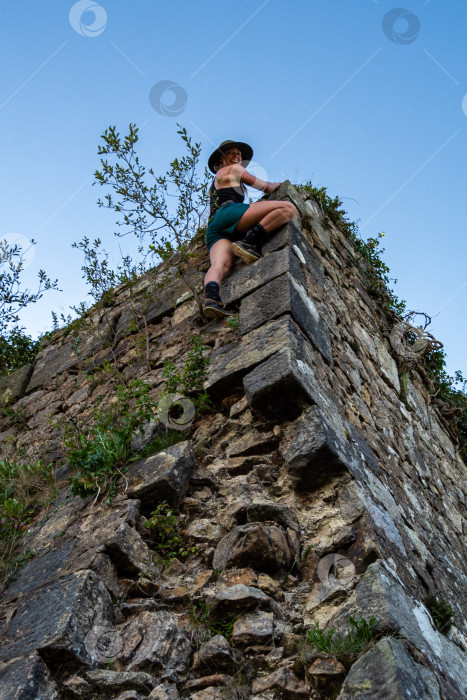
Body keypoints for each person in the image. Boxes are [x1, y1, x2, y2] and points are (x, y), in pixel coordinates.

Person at [203, 139, 297, 319]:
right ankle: (249, 242)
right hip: (229, 213)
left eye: (238, 153)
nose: (237, 155)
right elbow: (266, 187)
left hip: (215, 227)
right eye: (232, 152)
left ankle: (212, 298)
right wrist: (276, 185)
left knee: (220, 264)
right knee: (288, 208)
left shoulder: (215, 181)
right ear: (222, 158)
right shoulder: (234, 170)